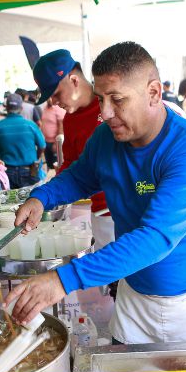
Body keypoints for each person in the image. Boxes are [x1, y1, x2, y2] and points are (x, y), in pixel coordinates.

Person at [7, 42, 186, 345]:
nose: (105, 113)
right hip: (135, 293)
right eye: (101, 99)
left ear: (154, 93)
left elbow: (154, 238)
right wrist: (42, 197)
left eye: (117, 100)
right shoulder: (105, 138)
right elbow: (80, 176)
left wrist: (64, 279)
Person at [32, 49, 115, 252]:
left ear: (74, 80)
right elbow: (71, 164)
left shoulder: (111, 105)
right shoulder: (70, 120)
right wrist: (50, 192)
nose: (54, 102)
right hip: (100, 212)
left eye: (56, 93)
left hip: (127, 208)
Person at [0, 93, 45, 189]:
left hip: (7, 171)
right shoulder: (31, 125)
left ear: (6, 108)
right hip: (30, 170)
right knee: (32, 197)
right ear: (21, 108)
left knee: (11, 198)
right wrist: (36, 157)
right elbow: (42, 146)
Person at [40, 99, 66, 170]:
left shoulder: (58, 108)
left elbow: (61, 126)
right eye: (48, 98)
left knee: (56, 165)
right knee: (49, 164)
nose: (49, 99)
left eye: (51, 97)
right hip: (46, 142)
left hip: (55, 143)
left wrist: (56, 143)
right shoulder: (45, 108)